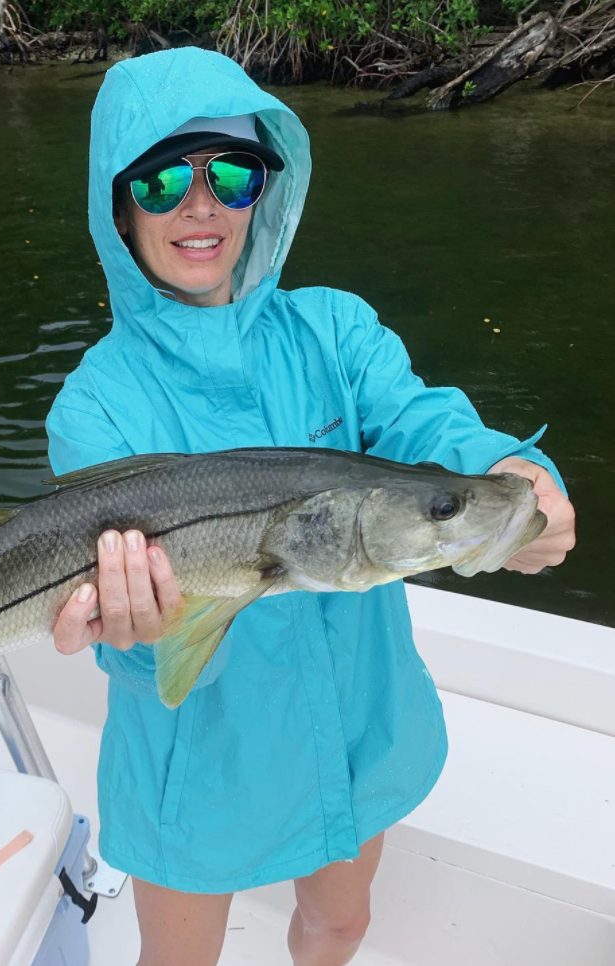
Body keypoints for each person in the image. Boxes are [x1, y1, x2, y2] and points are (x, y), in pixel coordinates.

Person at [45, 47, 576, 966]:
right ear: (118, 205)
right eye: (165, 176)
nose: (200, 205)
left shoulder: (335, 328)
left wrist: (506, 470)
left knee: (340, 925)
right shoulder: (95, 408)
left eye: (232, 174)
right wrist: (132, 632)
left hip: (359, 717)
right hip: (199, 753)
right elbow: (147, 662)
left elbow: (419, 423)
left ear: (265, 192)